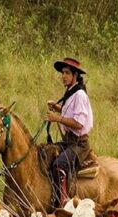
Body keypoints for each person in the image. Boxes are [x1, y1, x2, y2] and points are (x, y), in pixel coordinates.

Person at [45, 57, 94, 206]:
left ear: (75, 76)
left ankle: (62, 201)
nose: (63, 76)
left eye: (67, 73)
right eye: (62, 73)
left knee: (59, 165)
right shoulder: (71, 92)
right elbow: (72, 114)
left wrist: (58, 118)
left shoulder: (79, 95)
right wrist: (58, 107)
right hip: (69, 141)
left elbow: (79, 123)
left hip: (79, 144)